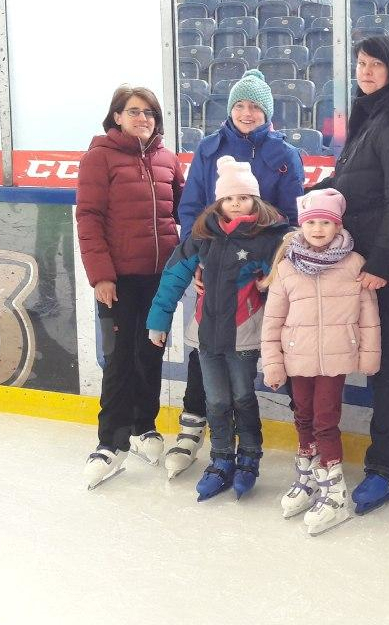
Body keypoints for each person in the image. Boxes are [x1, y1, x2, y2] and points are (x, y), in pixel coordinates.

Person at [307, 36, 389, 515]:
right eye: (360, 64)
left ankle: (385, 467)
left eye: (375, 64)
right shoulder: (373, 118)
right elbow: (349, 182)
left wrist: (380, 263)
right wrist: (309, 197)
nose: (365, 71)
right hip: (377, 260)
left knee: (384, 362)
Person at [165, 69, 304, 480]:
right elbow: (191, 210)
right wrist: (202, 263)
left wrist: (269, 265)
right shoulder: (209, 150)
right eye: (240, 105)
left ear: (268, 113)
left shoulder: (284, 155)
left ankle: (308, 439)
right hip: (215, 266)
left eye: (256, 106)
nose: (247, 113)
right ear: (230, 110)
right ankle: (194, 424)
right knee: (206, 344)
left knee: (274, 347)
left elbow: (292, 217)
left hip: (263, 270)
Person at [146, 156, 292, 501]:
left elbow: (289, 266)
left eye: (242, 197)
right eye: (228, 198)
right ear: (219, 202)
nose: (235, 203)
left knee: (242, 397)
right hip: (207, 334)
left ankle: (249, 458)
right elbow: (174, 275)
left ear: (254, 200)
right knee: (215, 401)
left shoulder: (267, 238)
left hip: (243, 332)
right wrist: (158, 319)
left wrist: (271, 272)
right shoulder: (203, 236)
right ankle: (221, 459)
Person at [77, 85, 183, 489]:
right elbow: (88, 218)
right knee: (120, 357)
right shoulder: (98, 158)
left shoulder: (167, 159)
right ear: (116, 117)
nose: (143, 119)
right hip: (118, 279)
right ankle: (110, 442)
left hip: (160, 278)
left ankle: (144, 427)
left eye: (150, 113)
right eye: (134, 111)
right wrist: (101, 275)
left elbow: (182, 211)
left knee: (150, 351)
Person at [261, 189, 382, 535]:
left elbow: (368, 315)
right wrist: (273, 363)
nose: (317, 229)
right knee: (302, 416)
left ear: (337, 226)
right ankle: (309, 475)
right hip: (297, 357)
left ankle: (334, 490)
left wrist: (370, 356)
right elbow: (273, 320)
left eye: (325, 223)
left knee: (325, 421)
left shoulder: (354, 263)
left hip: (334, 357)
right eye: (311, 222)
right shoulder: (286, 267)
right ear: (302, 225)